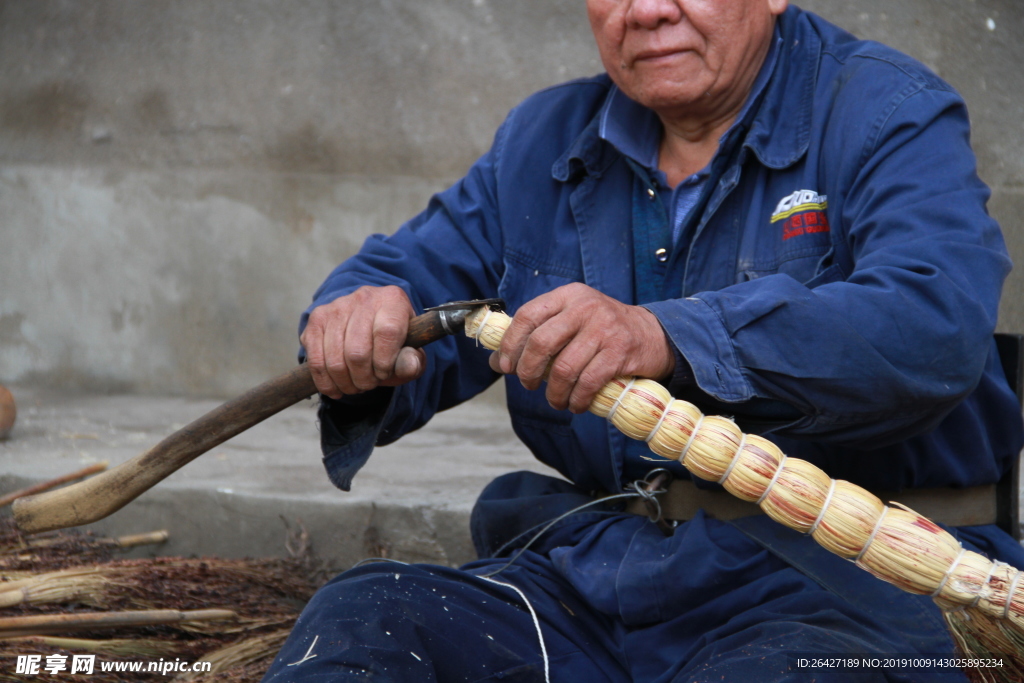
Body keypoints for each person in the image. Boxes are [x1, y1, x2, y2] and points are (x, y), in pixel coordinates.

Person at [264, 1, 1024, 681]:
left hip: (846, 589)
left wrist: (667, 334)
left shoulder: (884, 109)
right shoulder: (546, 139)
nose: (649, 11)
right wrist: (356, 317)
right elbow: (414, 276)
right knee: (368, 618)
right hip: (607, 574)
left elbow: (933, 321)